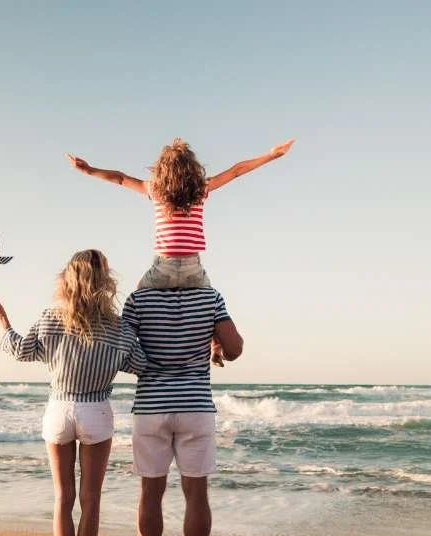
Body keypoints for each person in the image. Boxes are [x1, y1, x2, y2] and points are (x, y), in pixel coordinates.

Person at [0, 250, 147, 536]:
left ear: (68, 279)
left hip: (59, 410)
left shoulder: (51, 319)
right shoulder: (118, 327)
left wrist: (1, 317)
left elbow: (21, 350)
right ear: (106, 281)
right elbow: (141, 365)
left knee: (63, 497)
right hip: (97, 412)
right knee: (91, 499)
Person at [66, 137, 292, 365]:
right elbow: (236, 171)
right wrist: (271, 155)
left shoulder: (154, 190)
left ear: (161, 170)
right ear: (193, 169)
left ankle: (126, 349)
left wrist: (89, 170)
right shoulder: (201, 189)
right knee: (213, 307)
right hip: (192, 269)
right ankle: (215, 345)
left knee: (136, 299)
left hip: (162, 268)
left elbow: (121, 178)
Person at [120, 284, 243, 536]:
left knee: (150, 492)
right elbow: (235, 349)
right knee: (197, 494)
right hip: (195, 406)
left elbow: (122, 351)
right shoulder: (210, 297)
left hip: (150, 407)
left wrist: (151, 359)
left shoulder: (138, 299)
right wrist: (213, 341)